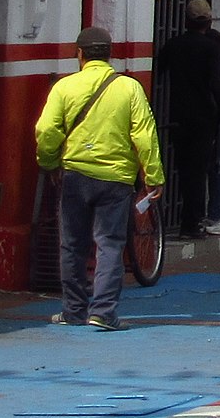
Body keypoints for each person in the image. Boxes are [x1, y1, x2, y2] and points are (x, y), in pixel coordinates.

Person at [33, 28, 163, 331]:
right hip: (116, 179)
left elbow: (47, 130)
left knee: (72, 245)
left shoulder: (65, 88)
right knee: (110, 244)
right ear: (109, 55)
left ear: (79, 54)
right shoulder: (129, 88)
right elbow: (145, 135)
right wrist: (153, 175)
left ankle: (73, 311)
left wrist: (49, 163)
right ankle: (103, 312)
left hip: (75, 176)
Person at [155, 0, 220, 238]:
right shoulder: (211, 48)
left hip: (178, 115)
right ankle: (192, 222)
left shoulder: (173, 44)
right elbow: (216, 84)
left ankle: (181, 217)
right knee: (199, 171)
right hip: (204, 118)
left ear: (186, 21)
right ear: (208, 22)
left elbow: (158, 70)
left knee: (182, 168)